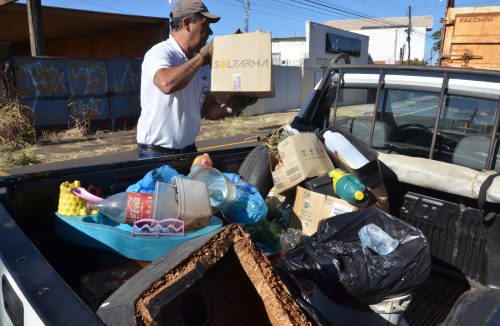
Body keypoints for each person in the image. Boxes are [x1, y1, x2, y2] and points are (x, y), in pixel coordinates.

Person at [136, 0, 254, 158]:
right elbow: (166, 84)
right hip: (157, 153)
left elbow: (210, 110)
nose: (210, 32)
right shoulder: (160, 53)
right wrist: (203, 57)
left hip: (189, 150)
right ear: (186, 23)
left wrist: (232, 106)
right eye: (205, 25)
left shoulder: (203, 65)